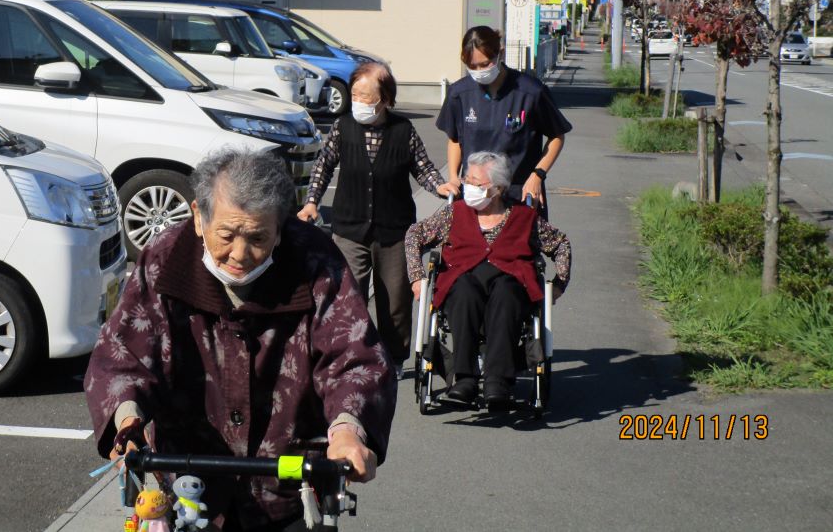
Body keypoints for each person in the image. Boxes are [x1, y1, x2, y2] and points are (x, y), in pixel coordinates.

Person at [85, 149, 397, 532]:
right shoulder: (165, 260)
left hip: (291, 482)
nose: (240, 254)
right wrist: (127, 422)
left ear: (281, 227)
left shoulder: (314, 260)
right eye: (227, 235)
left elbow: (355, 356)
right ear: (199, 217)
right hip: (188, 486)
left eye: (257, 238)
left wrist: (349, 428)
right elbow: (124, 353)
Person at [298, 62, 452, 378]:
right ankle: (349, 355)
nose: (358, 102)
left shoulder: (402, 130)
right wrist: (312, 201)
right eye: (354, 94)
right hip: (349, 228)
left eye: (365, 96)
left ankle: (394, 360)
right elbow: (323, 167)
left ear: (385, 99)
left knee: (394, 302)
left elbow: (422, 167)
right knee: (347, 297)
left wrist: (439, 185)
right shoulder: (343, 128)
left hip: (395, 230)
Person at [404, 151, 571, 409]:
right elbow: (415, 235)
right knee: (464, 292)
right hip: (463, 281)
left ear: (498, 188)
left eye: (477, 183)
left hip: (509, 284)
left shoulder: (524, 218)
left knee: (506, 293)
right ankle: (464, 379)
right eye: (467, 180)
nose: (468, 187)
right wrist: (416, 277)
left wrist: (558, 284)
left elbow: (560, 244)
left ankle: (498, 381)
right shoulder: (454, 213)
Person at [437, 26, 572, 215]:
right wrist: (453, 178)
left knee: (523, 242)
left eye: (485, 64)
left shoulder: (530, 91)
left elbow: (557, 136)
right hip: (475, 195)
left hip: (520, 193)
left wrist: (537, 175)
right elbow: (455, 139)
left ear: (500, 54)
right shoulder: (459, 94)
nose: (479, 71)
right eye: (472, 66)